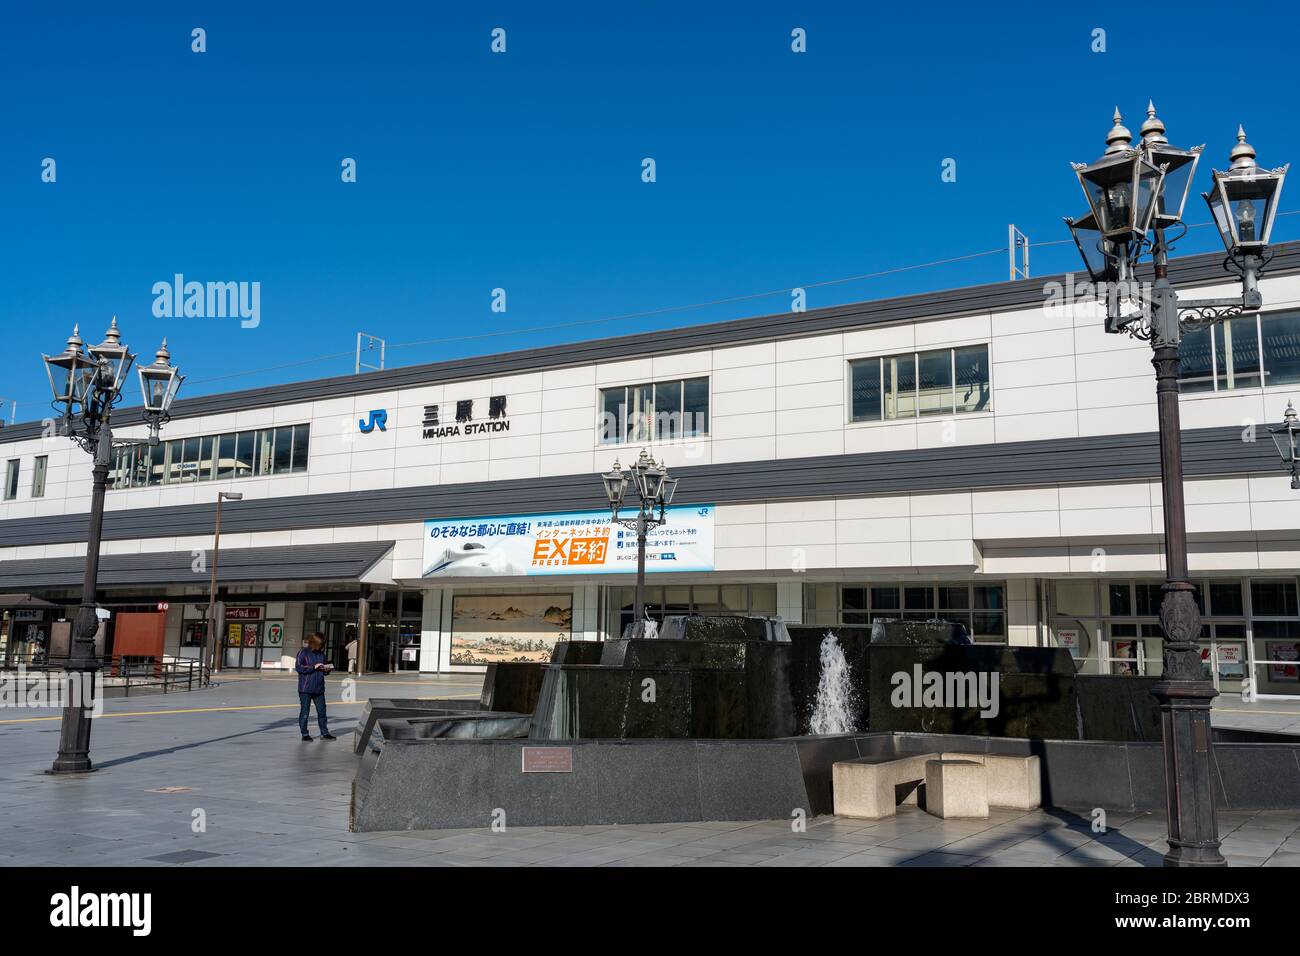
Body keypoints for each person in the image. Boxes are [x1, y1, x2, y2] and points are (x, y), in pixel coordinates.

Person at [295, 633, 335, 742]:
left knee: (322, 712)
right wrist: (313, 667)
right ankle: (304, 734)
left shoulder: (321, 654)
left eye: (322, 644)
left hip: (319, 688)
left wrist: (327, 669)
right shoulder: (303, 652)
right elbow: (299, 667)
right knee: (305, 712)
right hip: (305, 689)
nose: (321, 646)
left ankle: (324, 732)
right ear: (314, 643)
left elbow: (324, 671)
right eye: (320, 644)